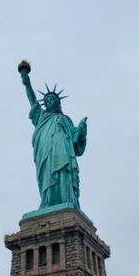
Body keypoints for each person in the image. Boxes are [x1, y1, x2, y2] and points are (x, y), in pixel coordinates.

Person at [19, 61, 87, 210]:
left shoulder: (65, 119)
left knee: (63, 173)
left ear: (58, 103)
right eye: (47, 100)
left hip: (63, 154)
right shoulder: (41, 116)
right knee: (47, 175)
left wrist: (82, 130)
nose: (50, 101)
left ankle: (66, 199)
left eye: (53, 100)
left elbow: (76, 141)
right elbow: (32, 100)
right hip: (45, 152)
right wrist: (26, 82)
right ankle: (48, 202)